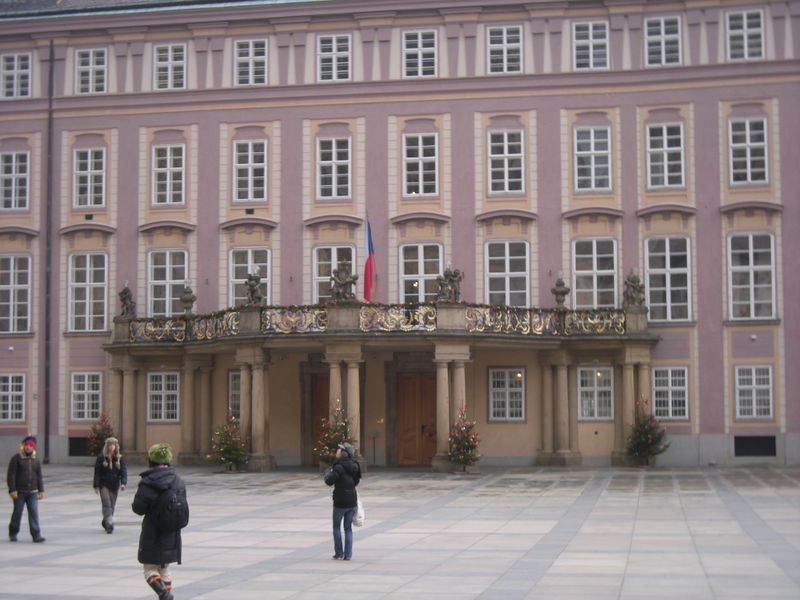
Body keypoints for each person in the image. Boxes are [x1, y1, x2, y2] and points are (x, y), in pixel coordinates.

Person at [132, 443, 186, 600]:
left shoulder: (148, 482)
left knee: (149, 569)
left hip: (153, 531)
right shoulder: (178, 480)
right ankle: (165, 595)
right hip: (172, 530)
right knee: (164, 569)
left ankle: (163, 593)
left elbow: (138, 508)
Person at [323, 442, 361, 560]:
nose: (337, 452)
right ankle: (348, 555)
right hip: (352, 500)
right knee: (348, 528)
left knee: (336, 527)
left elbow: (329, 481)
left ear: (344, 453)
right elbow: (356, 481)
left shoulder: (338, 467)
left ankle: (339, 553)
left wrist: (327, 472)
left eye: (339, 450)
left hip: (340, 501)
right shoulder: (355, 465)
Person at [7, 435, 45, 543]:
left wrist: (41, 490)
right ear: (23, 446)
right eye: (26, 445)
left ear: (33, 448)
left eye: (30, 446)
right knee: (17, 513)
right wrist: (12, 490)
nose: (28, 447)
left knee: (33, 514)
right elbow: (11, 475)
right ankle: (13, 533)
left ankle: (36, 535)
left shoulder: (35, 460)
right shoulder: (16, 458)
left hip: (33, 492)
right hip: (19, 492)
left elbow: (39, 476)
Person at [93, 436, 127, 533]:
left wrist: (123, 483)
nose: (112, 447)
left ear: (116, 446)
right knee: (106, 503)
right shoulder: (101, 458)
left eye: (113, 445)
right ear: (107, 446)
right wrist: (96, 486)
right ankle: (109, 524)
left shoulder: (120, 459)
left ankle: (106, 521)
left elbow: (123, 472)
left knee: (112, 505)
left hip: (114, 484)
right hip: (104, 484)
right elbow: (97, 472)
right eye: (110, 445)